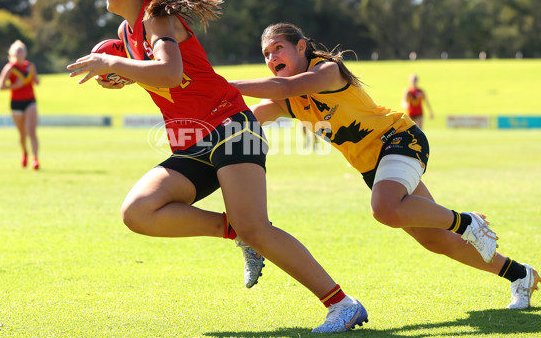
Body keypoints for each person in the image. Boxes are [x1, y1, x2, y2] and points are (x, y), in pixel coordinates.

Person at [67, 0, 367, 333]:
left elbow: (171, 73)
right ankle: (237, 231)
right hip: (192, 141)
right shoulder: (128, 33)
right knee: (138, 211)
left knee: (257, 227)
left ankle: (343, 304)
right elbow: (158, 74)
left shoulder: (158, 16)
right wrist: (123, 74)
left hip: (231, 128)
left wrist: (113, 65)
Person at [229, 22, 540, 310]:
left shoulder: (326, 70)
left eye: (278, 49)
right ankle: (520, 274)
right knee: (436, 239)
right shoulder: (287, 100)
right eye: (266, 54)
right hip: (372, 167)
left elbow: (282, 88)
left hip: (399, 139)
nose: (271, 58)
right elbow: (250, 115)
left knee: (385, 209)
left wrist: (225, 82)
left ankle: (466, 222)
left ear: (301, 47)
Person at [0, 39, 40, 170]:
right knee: (22, 135)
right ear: (12, 54)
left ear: (25, 53)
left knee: (31, 131)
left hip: (30, 101)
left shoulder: (30, 66)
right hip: (16, 103)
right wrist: (15, 86)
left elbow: (36, 80)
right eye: (16, 51)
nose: (19, 53)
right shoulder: (10, 68)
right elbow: (1, 86)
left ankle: (35, 159)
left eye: (21, 51)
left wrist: (37, 80)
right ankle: (25, 153)